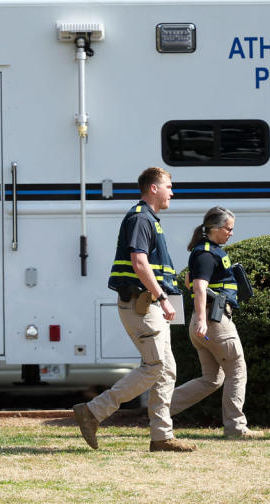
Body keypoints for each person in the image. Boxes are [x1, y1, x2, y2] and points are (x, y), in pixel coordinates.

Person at [72, 167, 195, 452]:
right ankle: (93, 411)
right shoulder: (141, 218)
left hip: (147, 304)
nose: (172, 193)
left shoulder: (150, 219)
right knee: (155, 367)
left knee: (166, 370)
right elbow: (139, 263)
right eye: (168, 187)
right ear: (153, 188)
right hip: (143, 305)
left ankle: (162, 437)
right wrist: (162, 297)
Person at [170, 206, 261, 438]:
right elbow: (199, 288)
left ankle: (159, 410)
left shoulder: (204, 252)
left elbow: (190, 283)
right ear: (215, 228)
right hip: (214, 321)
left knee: (212, 378)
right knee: (237, 370)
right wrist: (202, 320)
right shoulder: (207, 254)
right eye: (229, 229)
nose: (231, 233)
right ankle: (236, 428)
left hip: (205, 321)